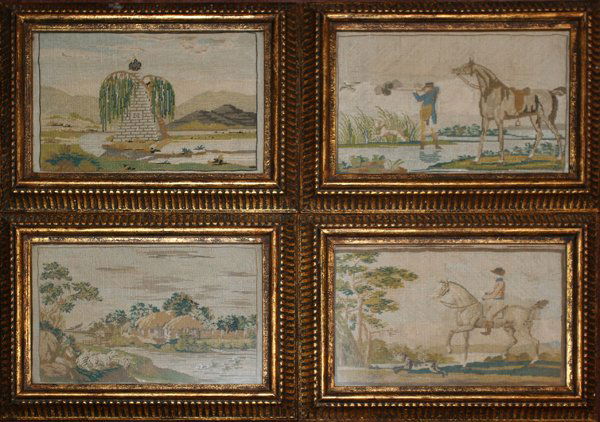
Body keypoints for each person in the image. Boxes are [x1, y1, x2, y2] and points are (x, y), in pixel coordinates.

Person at [413, 82, 441, 150]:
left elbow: (419, 99)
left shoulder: (430, 93)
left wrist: (415, 92)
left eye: (425, 88)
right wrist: (418, 91)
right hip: (429, 115)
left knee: (426, 130)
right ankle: (435, 146)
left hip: (428, 114)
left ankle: (423, 146)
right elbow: (419, 99)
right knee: (432, 130)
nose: (424, 89)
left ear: (429, 88)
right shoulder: (432, 93)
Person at [481, 267, 506, 336]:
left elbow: (494, 294)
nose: (493, 275)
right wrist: (487, 293)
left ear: (498, 274)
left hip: (499, 302)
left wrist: (485, 297)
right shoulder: (497, 282)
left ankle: (488, 331)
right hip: (495, 301)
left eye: (494, 274)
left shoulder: (501, 282)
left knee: (489, 314)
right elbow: (493, 292)